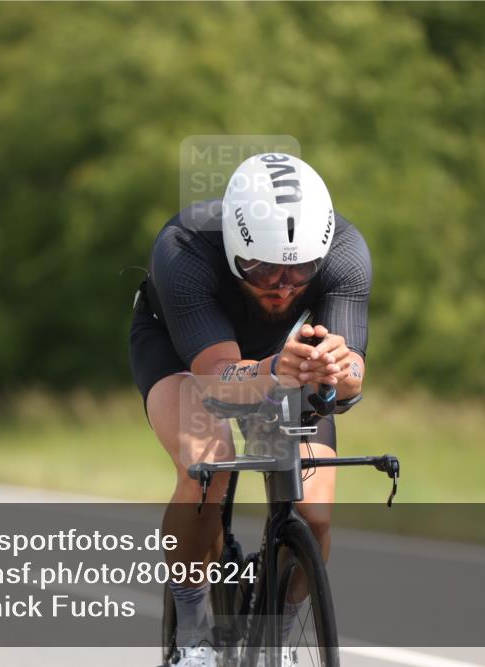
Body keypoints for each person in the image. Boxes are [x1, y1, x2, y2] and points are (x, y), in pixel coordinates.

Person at [129, 153, 371, 666]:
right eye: (263, 269)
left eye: (301, 269)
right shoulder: (185, 248)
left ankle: (276, 634)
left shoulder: (345, 253)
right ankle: (192, 636)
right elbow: (218, 379)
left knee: (315, 509)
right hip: (185, 351)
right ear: (237, 249)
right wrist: (271, 372)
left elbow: (351, 379)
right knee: (207, 467)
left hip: (286, 357)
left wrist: (337, 368)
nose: (284, 285)